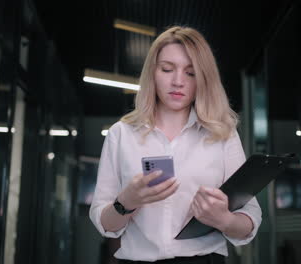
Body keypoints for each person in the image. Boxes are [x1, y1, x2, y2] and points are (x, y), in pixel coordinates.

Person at [89, 26, 262, 264]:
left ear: (203, 79)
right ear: (153, 72)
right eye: (167, 69)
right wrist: (126, 202)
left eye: (190, 73)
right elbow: (104, 223)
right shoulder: (121, 134)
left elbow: (249, 218)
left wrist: (224, 220)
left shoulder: (223, 134)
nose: (178, 81)